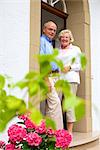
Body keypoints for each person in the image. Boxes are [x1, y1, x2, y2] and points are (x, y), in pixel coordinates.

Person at [40, 21, 63, 129]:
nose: (52, 32)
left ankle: (49, 132)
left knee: (51, 107)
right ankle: (56, 133)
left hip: (55, 76)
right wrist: (46, 79)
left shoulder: (50, 43)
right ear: (44, 29)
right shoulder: (42, 41)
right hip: (47, 76)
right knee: (55, 104)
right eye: (50, 29)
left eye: (54, 30)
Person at [57, 29, 82, 133]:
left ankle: (69, 132)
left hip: (71, 80)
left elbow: (80, 65)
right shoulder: (56, 50)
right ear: (60, 39)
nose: (64, 39)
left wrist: (70, 67)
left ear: (70, 39)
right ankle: (57, 130)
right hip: (58, 80)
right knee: (56, 105)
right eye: (62, 37)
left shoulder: (76, 49)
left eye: (66, 37)